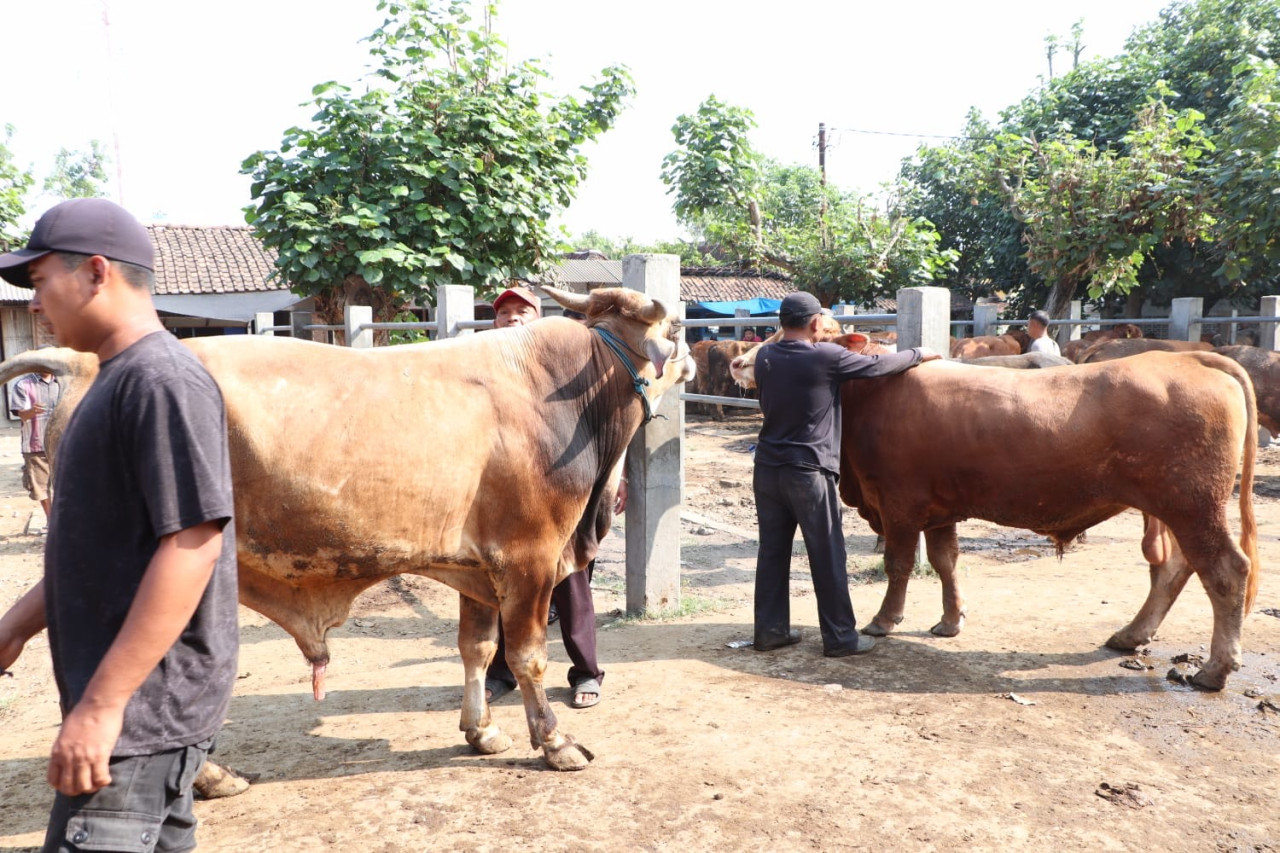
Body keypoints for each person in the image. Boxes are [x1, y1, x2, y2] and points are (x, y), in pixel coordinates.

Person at [0, 198, 238, 852]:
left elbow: (191, 544)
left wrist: (102, 707)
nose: (36, 303)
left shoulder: (161, 380)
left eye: (40, 280)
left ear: (97, 271)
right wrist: (16, 625)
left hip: (140, 714)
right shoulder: (115, 379)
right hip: (136, 712)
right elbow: (104, 550)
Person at [752, 291, 939, 657]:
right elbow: (877, 367)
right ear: (817, 323)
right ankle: (840, 638)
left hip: (767, 470)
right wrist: (919, 353)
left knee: (772, 552)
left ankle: (770, 632)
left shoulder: (765, 356)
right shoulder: (826, 355)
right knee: (827, 553)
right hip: (808, 472)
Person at [484, 287, 610, 709]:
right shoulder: (482, 365)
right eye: (505, 314)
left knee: (572, 585)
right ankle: (502, 672)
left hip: (562, 495)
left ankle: (586, 672)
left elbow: (607, 428)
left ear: (539, 319)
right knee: (501, 585)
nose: (514, 320)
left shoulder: (566, 365)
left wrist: (613, 479)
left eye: (523, 312)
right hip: (504, 498)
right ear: (494, 321)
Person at [9, 363, 62, 519]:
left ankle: (62, 521)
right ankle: (51, 522)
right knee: (40, 487)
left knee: (65, 484)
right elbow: (22, 415)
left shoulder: (63, 383)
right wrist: (32, 411)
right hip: (35, 444)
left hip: (61, 443)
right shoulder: (23, 384)